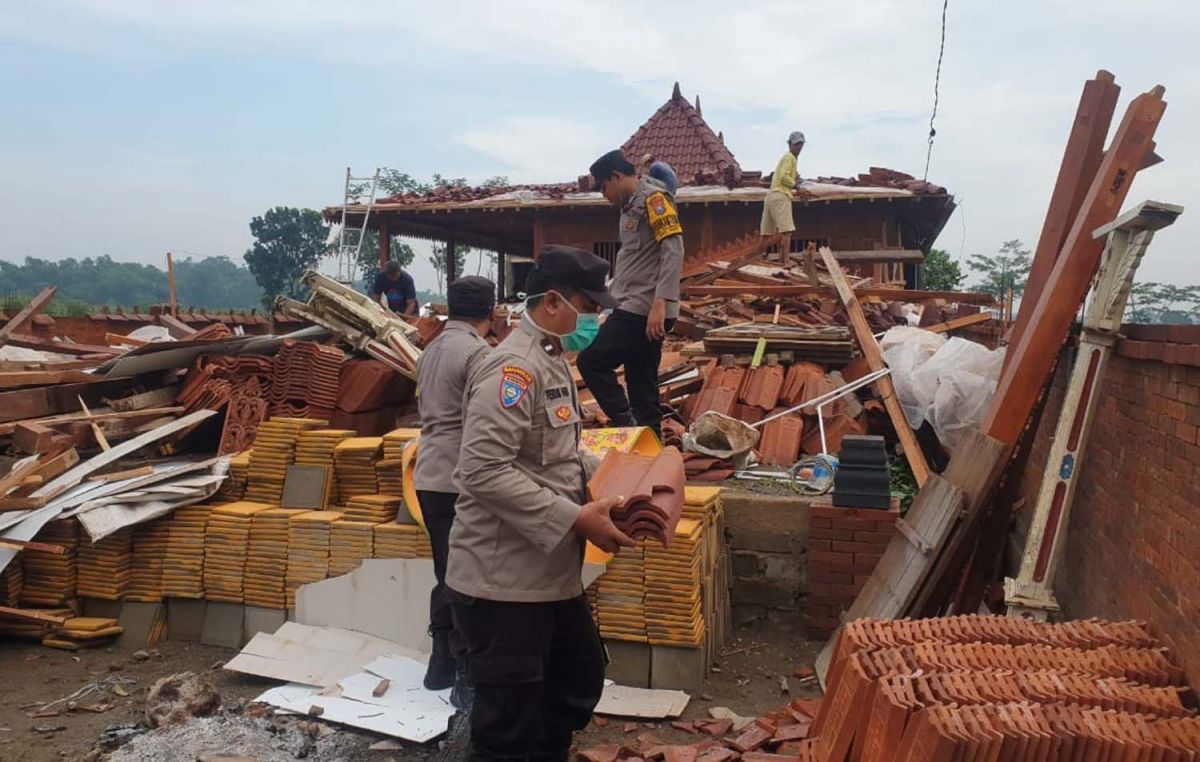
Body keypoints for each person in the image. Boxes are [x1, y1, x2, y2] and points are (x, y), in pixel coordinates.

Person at [448, 245, 636, 761]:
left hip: (547, 575)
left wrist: (619, 480)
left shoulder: (550, 361)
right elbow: (482, 470)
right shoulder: (513, 370)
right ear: (553, 301)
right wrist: (577, 518)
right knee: (509, 729)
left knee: (574, 686)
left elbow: (555, 456)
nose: (595, 320)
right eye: (589, 307)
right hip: (502, 583)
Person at [413, 275, 496, 706]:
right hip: (463, 476)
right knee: (468, 575)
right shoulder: (479, 354)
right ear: (492, 312)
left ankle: (440, 663)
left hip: (428, 473)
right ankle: (465, 670)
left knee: (445, 570)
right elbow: (485, 422)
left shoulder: (430, 350)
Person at [578, 149, 685, 441]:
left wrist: (661, 303)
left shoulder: (654, 200)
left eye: (603, 187)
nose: (604, 195)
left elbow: (673, 250)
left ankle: (626, 423)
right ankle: (650, 446)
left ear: (616, 177)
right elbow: (633, 263)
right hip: (634, 305)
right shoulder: (629, 207)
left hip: (645, 308)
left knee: (591, 362)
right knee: (641, 384)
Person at [761, 131, 806, 260]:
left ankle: (760, 257)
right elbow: (783, 177)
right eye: (796, 144)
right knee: (786, 231)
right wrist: (797, 187)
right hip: (781, 195)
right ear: (790, 144)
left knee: (766, 232)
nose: (799, 147)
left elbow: (784, 175)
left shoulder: (787, 158)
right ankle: (785, 261)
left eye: (801, 144)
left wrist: (795, 178)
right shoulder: (789, 157)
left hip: (770, 196)